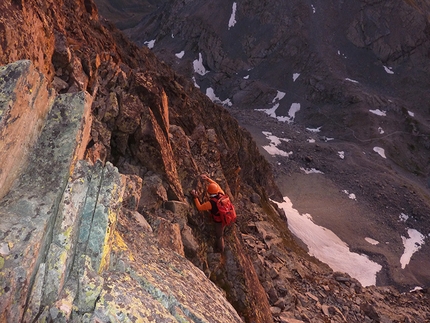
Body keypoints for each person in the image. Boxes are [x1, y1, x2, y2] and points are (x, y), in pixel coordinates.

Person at [191, 174, 226, 252]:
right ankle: (220, 246)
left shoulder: (211, 203)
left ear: (209, 192)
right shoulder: (221, 193)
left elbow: (199, 208)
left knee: (219, 236)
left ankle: (220, 249)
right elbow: (216, 185)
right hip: (224, 216)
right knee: (221, 232)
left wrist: (195, 197)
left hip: (219, 221)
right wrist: (207, 179)